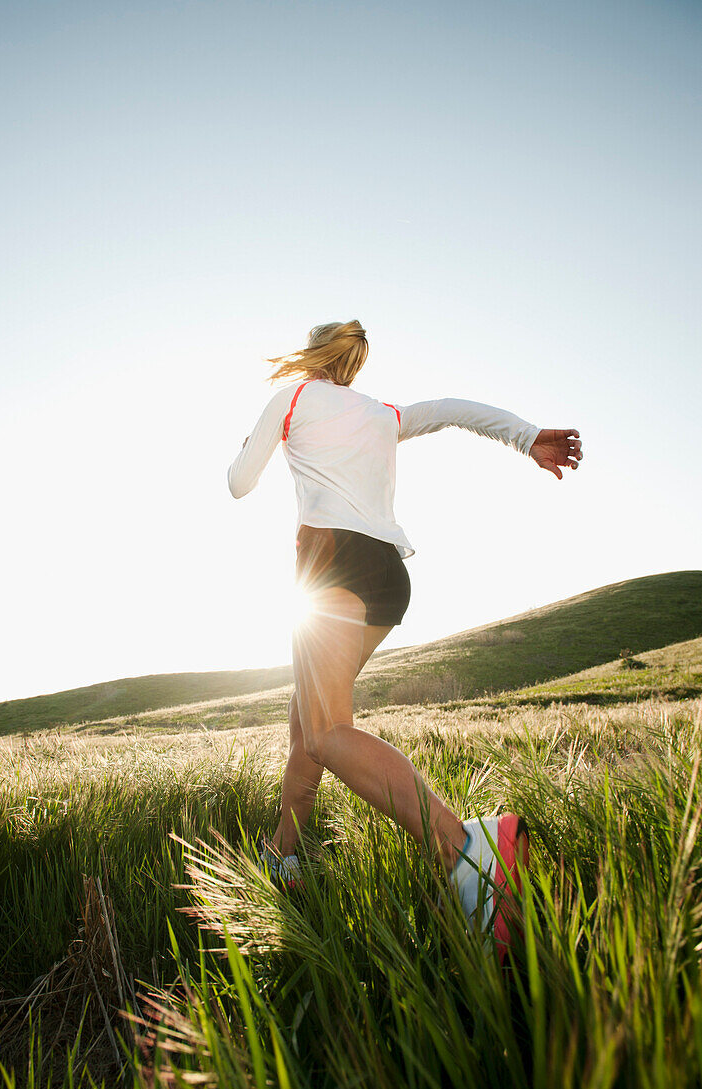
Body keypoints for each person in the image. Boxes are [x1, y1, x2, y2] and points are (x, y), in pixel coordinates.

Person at [227, 320, 582, 960]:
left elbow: (237, 482)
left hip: (330, 565)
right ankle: (285, 862)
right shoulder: (383, 413)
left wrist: (257, 440)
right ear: (355, 365)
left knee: (329, 732)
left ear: (314, 354)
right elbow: (452, 410)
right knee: (307, 733)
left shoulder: (294, 397)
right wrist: (528, 438)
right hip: (387, 575)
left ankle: (466, 850)